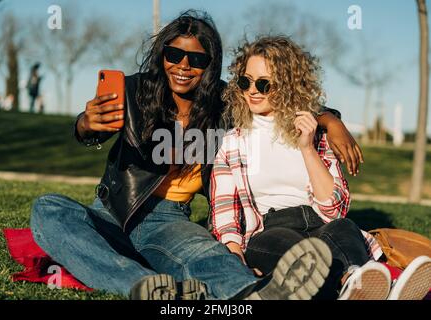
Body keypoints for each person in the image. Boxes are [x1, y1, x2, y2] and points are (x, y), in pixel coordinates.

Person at [30, 11, 363, 300]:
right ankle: (145, 285)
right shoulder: (134, 90)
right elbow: (89, 131)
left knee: (206, 254)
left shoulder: (224, 102)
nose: (183, 66)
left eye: (197, 59)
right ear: (162, 55)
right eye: (174, 54)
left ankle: (255, 294)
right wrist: (86, 124)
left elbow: (278, 96)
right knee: (49, 209)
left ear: (210, 65)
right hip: (112, 210)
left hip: (168, 219)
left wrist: (329, 118)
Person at [210, 35, 397, 300]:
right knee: (303, 253)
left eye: (264, 84)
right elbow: (224, 211)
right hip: (271, 231)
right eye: (245, 81)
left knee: (343, 228)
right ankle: (359, 286)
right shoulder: (231, 143)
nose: (252, 90)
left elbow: (335, 211)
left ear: (286, 86)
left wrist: (307, 148)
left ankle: (356, 282)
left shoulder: (317, 135)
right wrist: (234, 254)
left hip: (319, 221)